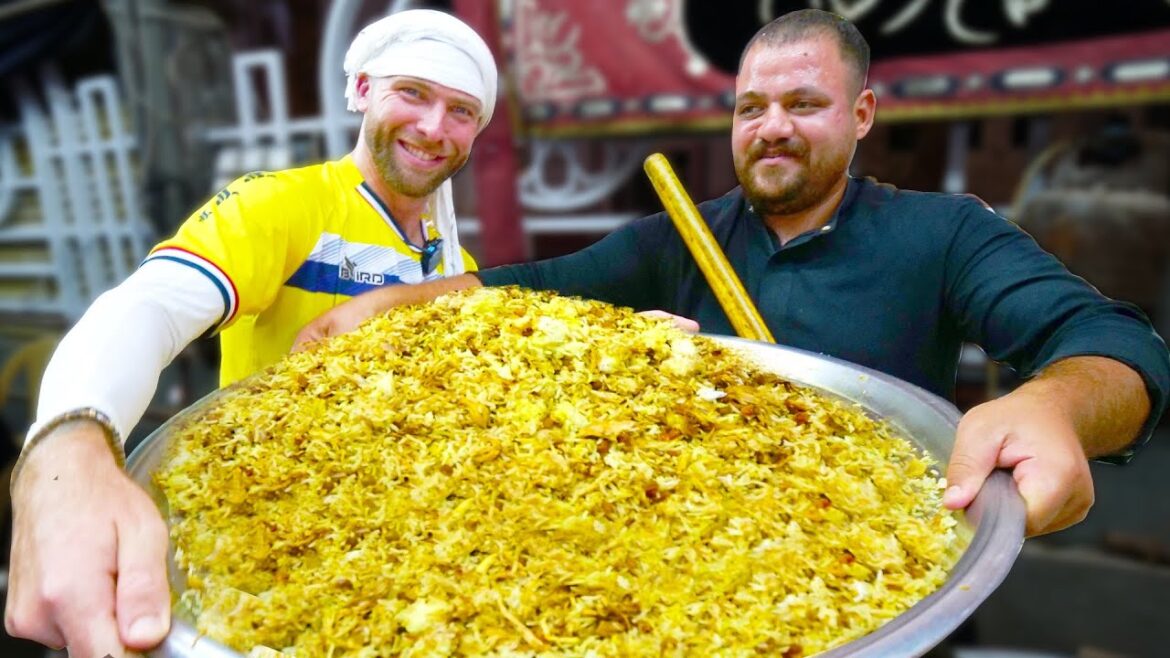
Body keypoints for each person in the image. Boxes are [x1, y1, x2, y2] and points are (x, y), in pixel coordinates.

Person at [297, 10, 1170, 541]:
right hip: (701, 556)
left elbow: (1113, 341)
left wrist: (1054, 405)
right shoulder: (678, 237)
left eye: (804, 104)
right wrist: (399, 301)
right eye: (752, 108)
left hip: (877, 552)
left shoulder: (943, 234)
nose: (772, 127)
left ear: (862, 114)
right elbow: (533, 286)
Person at [5, 9, 497, 656]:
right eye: (412, 92)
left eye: (461, 111)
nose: (434, 127)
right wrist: (70, 441)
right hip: (270, 536)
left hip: (406, 553)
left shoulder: (457, 265)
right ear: (361, 91)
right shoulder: (283, 204)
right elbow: (153, 304)